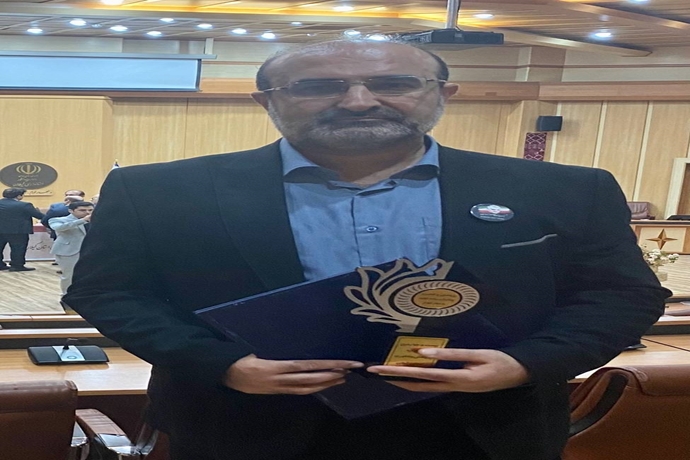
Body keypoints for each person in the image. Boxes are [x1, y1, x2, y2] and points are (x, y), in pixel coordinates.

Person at [64, 40, 670, 460]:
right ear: (267, 101)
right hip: (243, 430)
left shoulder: (565, 189)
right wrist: (222, 365)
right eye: (318, 87)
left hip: (484, 432)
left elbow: (622, 296)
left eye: (393, 83)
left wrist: (524, 364)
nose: (358, 100)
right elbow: (108, 292)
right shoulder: (156, 190)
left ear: (443, 94)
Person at [48, 201, 94, 295]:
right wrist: (82, 220)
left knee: (90, 273)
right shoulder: (57, 220)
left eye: (90, 210)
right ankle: (67, 294)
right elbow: (59, 228)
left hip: (91, 249)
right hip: (69, 251)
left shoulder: (96, 220)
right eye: (82, 210)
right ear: (71, 211)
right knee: (69, 274)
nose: (87, 212)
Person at [0, 187, 45, 272]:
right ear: (19, 196)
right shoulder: (25, 205)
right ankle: (16, 266)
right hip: (18, 231)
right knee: (18, 249)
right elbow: (38, 216)